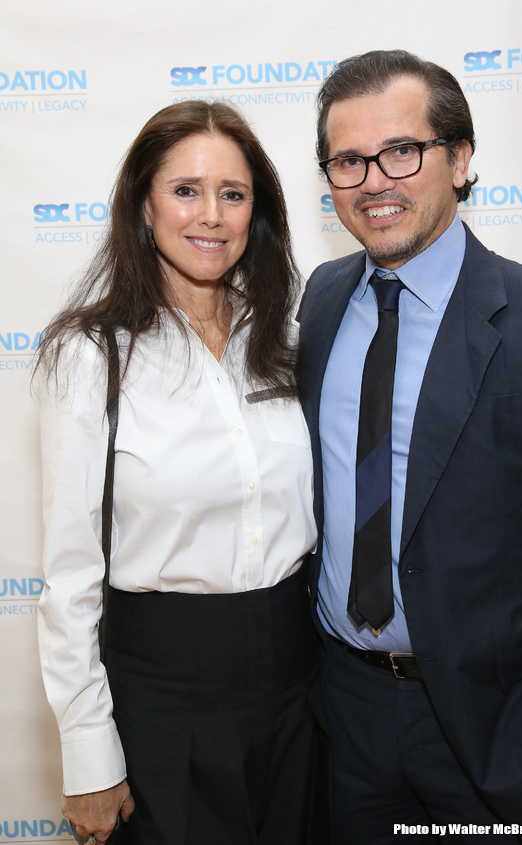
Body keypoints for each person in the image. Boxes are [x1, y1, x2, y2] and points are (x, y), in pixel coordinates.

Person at [297, 49, 522, 844]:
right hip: (345, 716)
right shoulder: (322, 299)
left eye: (402, 151)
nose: (374, 180)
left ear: (461, 160)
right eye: (348, 160)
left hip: (504, 729)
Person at [36, 100, 329, 845]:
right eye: (186, 190)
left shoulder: (288, 339)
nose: (212, 216)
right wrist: (88, 754)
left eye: (233, 194)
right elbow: (70, 574)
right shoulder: (92, 353)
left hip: (300, 694)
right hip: (161, 705)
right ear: (144, 203)